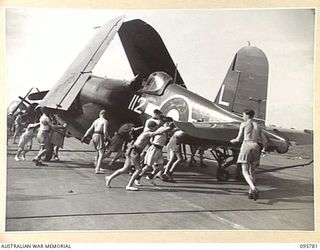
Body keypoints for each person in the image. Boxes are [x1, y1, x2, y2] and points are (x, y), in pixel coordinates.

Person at [105, 120, 171, 191]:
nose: (156, 129)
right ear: (152, 127)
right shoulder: (146, 133)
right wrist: (169, 127)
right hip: (134, 151)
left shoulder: (147, 132)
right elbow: (158, 132)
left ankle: (110, 177)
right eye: (155, 127)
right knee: (138, 169)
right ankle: (129, 185)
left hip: (133, 151)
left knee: (124, 168)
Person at [230, 109, 268, 201]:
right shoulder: (258, 126)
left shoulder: (243, 124)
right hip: (255, 146)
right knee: (252, 171)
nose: (243, 117)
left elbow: (238, 139)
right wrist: (263, 149)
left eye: (243, 115)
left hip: (246, 145)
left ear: (247, 115)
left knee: (245, 171)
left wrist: (232, 141)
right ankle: (250, 192)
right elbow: (265, 141)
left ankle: (254, 188)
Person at [81, 109, 109, 174]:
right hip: (100, 135)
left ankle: (97, 167)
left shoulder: (96, 121)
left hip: (94, 135)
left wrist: (84, 136)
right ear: (105, 115)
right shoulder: (105, 121)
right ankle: (98, 169)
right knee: (102, 153)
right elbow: (105, 131)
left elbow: (90, 129)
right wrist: (108, 138)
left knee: (99, 152)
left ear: (99, 114)